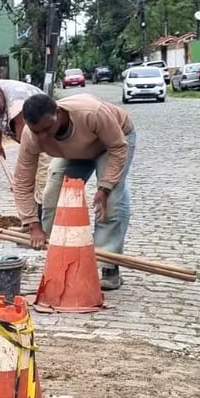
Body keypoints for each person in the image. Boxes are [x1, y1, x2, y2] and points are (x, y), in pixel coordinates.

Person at [15, 93, 136, 291]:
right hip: (73, 152)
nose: (44, 136)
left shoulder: (91, 113)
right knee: (53, 194)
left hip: (110, 144)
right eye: (38, 131)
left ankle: (108, 265)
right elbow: (22, 183)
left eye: (48, 128)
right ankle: (60, 256)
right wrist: (32, 224)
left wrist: (104, 187)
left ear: (59, 112)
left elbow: (118, 147)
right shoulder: (31, 136)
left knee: (111, 202)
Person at [0, 77, 49, 214]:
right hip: (33, 139)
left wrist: (20, 179)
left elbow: (26, 147)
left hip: (48, 141)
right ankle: (32, 220)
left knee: (41, 182)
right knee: (26, 183)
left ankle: (42, 222)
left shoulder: (16, 104)